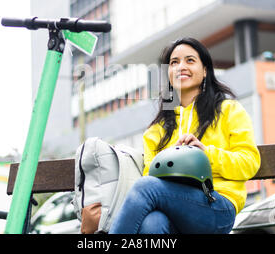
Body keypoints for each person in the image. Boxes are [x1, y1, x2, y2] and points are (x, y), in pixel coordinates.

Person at [109, 37, 261, 234]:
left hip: (216, 206)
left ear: (205, 70)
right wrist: (172, 160)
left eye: (190, 60)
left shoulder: (229, 110)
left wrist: (206, 155)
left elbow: (249, 163)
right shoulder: (157, 130)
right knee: (153, 223)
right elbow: (152, 177)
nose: (181, 66)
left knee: (145, 187)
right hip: (172, 211)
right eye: (174, 62)